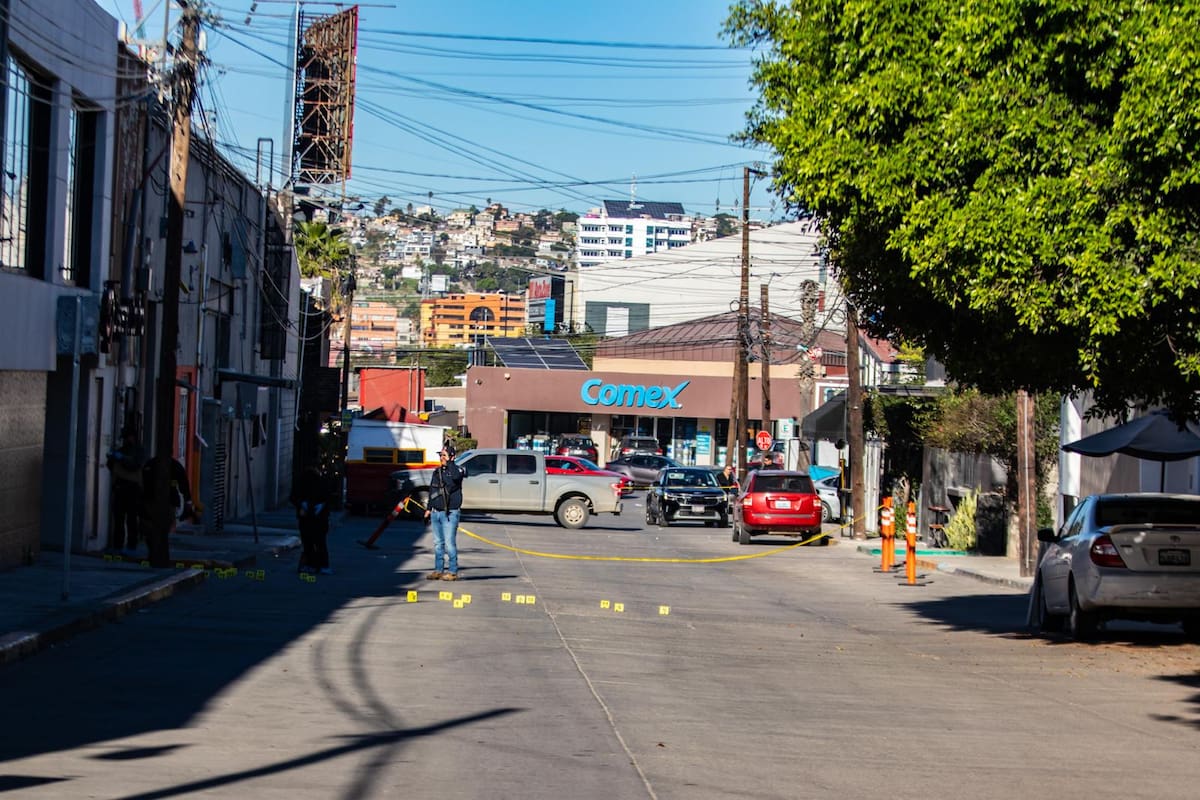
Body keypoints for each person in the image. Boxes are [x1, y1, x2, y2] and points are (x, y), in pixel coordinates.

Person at [424, 442, 465, 581]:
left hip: (450, 513)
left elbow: (454, 479)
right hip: (436, 512)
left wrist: (450, 463)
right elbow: (432, 491)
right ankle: (438, 570)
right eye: (440, 455)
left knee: (449, 543)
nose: (441, 457)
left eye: (444, 455)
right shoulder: (437, 472)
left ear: (452, 457)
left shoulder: (457, 471)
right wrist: (428, 509)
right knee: (438, 543)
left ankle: (452, 571)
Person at [107, 429, 145, 556]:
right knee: (119, 518)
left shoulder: (139, 451)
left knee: (132, 519)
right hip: (120, 487)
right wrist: (113, 458)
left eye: (127, 437)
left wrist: (122, 459)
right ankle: (118, 545)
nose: (125, 440)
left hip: (133, 488)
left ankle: (131, 546)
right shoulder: (122, 450)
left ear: (132, 437)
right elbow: (111, 465)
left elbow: (135, 465)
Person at [291, 466, 333, 575]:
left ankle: (311, 564)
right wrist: (321, 506)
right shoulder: (322, 482)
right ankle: (322, 565)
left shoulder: (301, 482)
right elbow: (328, 497)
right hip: (319, 517)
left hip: (306, 517)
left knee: (308, 542)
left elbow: (294, 497)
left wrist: (302, 504)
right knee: (320, 542)